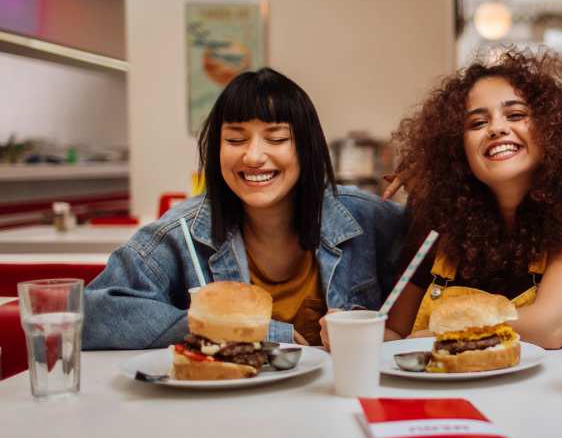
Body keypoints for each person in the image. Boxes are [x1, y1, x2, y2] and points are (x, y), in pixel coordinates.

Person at [84, 68, 405, 349]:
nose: (253, 156)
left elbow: (444, 256)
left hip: (338, 408)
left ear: (307, 148)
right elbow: (94, 314)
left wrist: (434, 181)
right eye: (235, 140)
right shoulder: (182, 232)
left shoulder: (364, 217)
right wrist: (236, 330)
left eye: (276, 138)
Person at [383, 49, 562, 349]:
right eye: (477, 123)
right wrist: (352, 330)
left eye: (516, 115)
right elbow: (395, 332)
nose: (497, 128)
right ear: (458, 149)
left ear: (551, 131)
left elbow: (549, 326)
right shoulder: (436, 224)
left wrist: (445, 335)